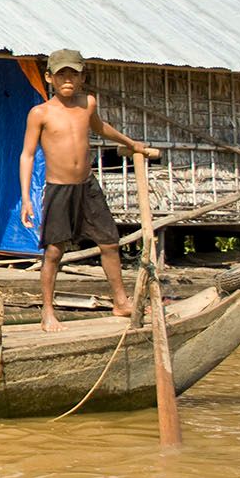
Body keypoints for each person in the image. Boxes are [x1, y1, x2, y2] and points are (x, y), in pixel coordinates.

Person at [19, 48, 156, 332]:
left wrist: (132, 144)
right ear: (49, 78)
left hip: (87, 187)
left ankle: (121, 301)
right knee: (54, 252)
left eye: (73, 73)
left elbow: (102, 128)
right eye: (61, 74)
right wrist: (25, 199)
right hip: (59, 190)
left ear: (82, 77)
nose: (67, 79)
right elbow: (27, 155)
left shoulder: (88, 104)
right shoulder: (40, 113)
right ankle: (48, 311)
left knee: (109, 242)